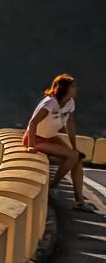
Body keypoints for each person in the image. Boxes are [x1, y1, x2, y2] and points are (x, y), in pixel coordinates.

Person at [26, 74, 93, 211]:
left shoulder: (70, 102)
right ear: (65, 88)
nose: (76, 89)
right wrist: (31, 146)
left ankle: (80, 201)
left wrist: (75, 147)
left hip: (51, 137)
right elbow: (32, 123)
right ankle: (53, 187)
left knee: (77, 158)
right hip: (36, 138)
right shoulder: (50, 103)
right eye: (73, 87)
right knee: (72, 156)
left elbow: (70, 126)